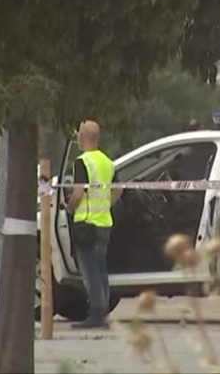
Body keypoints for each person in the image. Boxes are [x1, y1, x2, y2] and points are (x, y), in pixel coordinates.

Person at [66, 120, 122, 329]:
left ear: (82, 138)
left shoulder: (82, 162)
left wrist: (69, 207)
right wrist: (106, 204)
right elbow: (118, 190)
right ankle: (103, 311)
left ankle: (96, 314)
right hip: (104, 222)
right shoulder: (108, 162)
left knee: (90, 271)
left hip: (86, 224)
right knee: (100, 269)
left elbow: (79, 193)